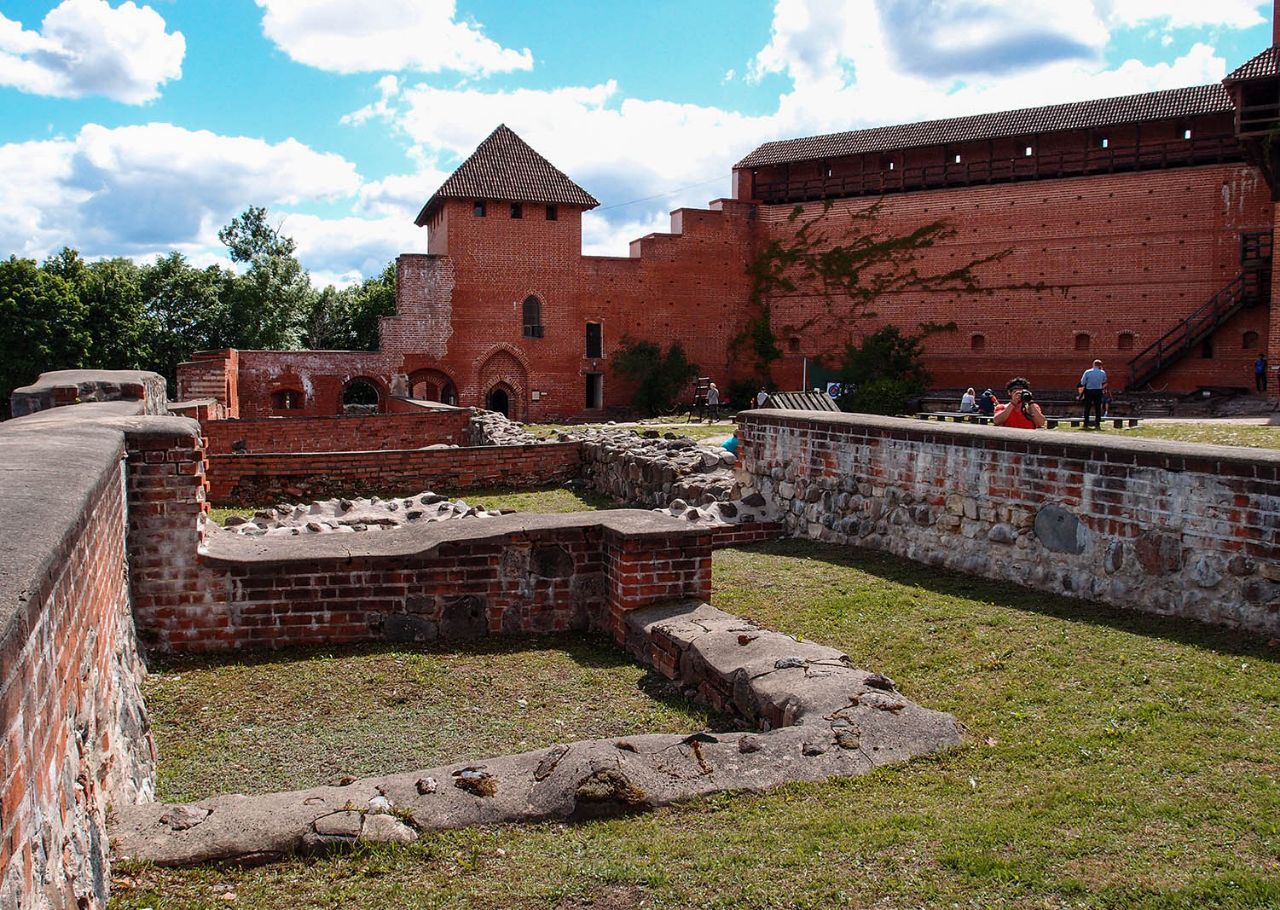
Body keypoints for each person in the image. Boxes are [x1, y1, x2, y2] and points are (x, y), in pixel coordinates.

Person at [1079, 359, 1107, 429]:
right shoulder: (1102, 372)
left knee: (1087, 407)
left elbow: (1082, 382)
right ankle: (1097, 424)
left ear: (1093, 364)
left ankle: (1085, 424)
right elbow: (1104, 380)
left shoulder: (1087, 372)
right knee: (1098, 408)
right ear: (1100, 365)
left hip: (1089, 391)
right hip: (1098, 391)